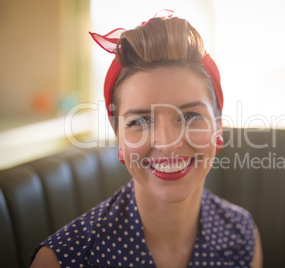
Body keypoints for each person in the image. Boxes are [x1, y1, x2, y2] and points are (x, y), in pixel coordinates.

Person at [30, 10, 262, 268]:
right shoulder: (62, 259)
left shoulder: (242, 235)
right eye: (139, 121)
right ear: (119, 139)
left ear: (218, 128)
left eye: (190, 116)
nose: (167, 143)